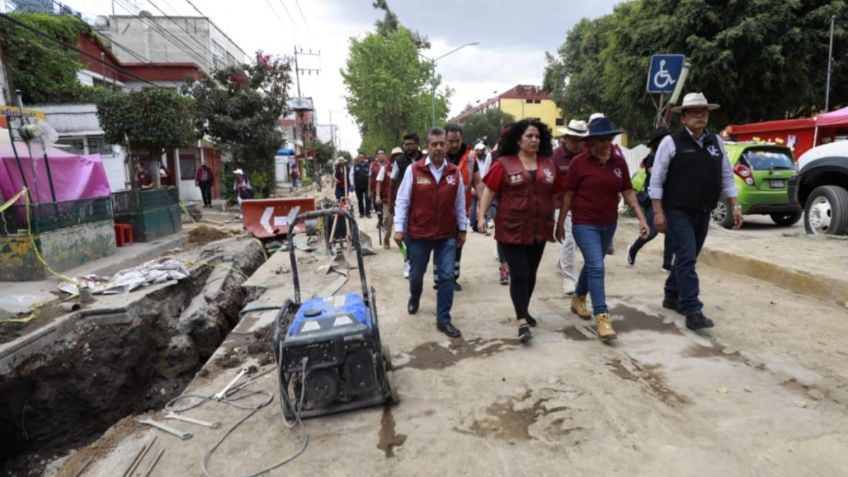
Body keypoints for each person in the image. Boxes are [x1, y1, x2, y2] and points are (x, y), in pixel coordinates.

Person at [649, 92, 742, 331]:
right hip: (677, 210)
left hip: (703, 211)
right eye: (694, 112)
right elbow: (656, 180)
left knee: (685, 258)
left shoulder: (716, 142)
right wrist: (658, 213)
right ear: (684, 118)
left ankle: (671, 294)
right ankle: (692, 309)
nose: (700, 115)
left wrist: (735, 205)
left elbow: (726, 175)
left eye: (704, 111)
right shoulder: (671, 142)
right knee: (688, 258)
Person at [556, 117, 649, 341]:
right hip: (583, 222)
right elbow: (568, 194)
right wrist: (560, 223)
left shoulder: (618, 163)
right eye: (600, 140)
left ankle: (578, 297)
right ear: (591, 141)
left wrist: (642, 219)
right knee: (597, 266)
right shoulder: (579, 163)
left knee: (593, 263)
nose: (605, 144)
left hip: (608, 222)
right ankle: (602, 316)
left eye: (609, 139)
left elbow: (628, 192)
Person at [478, 119, 560, 343]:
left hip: (539, 228)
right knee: (520, 273)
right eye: (529, 136)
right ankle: (521, 321)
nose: (534, 140)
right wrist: (481, 216)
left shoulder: (548, 164)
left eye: (537, 137)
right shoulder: (503, 164)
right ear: (518, 140)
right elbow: (489, 191)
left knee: (531, 274)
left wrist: (556, 222)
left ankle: (524, 309)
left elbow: (553, 195)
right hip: (511, 228)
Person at [394, 127, 466, 338]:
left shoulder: (454, 172)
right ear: (427, 147)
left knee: (446, 277)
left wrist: (462, 229)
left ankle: (444, 319)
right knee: (416, 276)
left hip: (446, 235)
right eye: (433, 144)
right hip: (418, 235)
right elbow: (402, 201)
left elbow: (460, 204)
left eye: (441, 143)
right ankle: (415, 296)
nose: (438, 147)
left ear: (446, 146)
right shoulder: (414, 170)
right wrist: (399, 229)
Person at [626, 128, 674, 271]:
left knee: (670, 231)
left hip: (669, 199)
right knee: (652, 231)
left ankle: (667, 264)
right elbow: (658, 176)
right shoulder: (652, 158)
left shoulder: (671, 156)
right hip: (654, 199)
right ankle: (633, 249)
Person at [434, 124, 475, 291]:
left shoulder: (470, 158)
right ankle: (439, 279)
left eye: (457, 141)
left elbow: (478, 182)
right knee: (441, 245)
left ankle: (453, 277)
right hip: (440, 211)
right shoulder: (437, 157)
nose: (454, 145)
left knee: (458, 245)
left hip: (461, 210)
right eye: (450, 141)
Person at [551, 119, 588, 295]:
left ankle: (562, 261)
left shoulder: (587, 155)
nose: (576, 143)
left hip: (582, 204)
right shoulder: (554, 156)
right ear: (565, 138)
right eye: (573, 139)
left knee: (577, 241)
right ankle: (569, 278)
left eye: (580, 140)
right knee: (569, 240)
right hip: (560, 205)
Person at [390, 132, 423, 278]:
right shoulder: (400, 161)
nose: (408, 147)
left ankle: (419, 260)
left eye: (410, 144)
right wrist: (391, 202)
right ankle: (407, 260)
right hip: (405, 203)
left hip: (422, 203)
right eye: (406, 144)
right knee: (405, 237)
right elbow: (392, 182)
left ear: (417, 144)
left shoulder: (425, 159)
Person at [375, 147, 398, 249]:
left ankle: (402, 245)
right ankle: (386, 239)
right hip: (387, 200)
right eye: (395, 156)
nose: (398, 158)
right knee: (388, 220)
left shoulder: (405, 167)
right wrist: (377, 196)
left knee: (402, 223)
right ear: (392, 157)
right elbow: (378, 182)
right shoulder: (385, 168)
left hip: (401, 200)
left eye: (400, 156)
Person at [469, 142, 487, 232]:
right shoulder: (472, 160)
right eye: (480, 150)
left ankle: (483, 222)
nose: (482, 152)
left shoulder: (485, 159)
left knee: (483, 204)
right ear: (476, 150)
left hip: (483, 185)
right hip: (474, 185)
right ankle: (472, 224)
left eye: (483, 150)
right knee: (473, 205)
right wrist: (472, 187)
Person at [351, 153, 372, 218]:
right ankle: (361, 213)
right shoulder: (355, 166)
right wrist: (353, 184)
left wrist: (370, 186)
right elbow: (352, 175)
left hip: (366, 186)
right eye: (360, 157)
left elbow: (370, 176)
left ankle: (368, 213)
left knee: (367, 199)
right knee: (360, 200)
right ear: (358, 158)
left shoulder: (368, 165)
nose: (361, 158)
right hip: (358, 186)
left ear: (364, 158)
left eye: (362, 157)